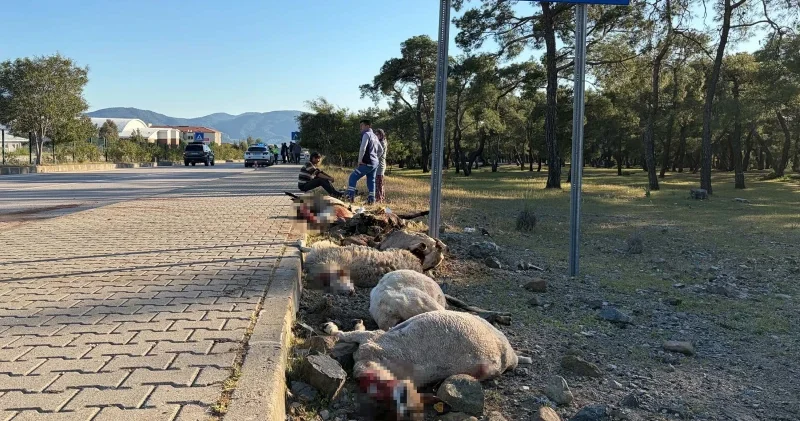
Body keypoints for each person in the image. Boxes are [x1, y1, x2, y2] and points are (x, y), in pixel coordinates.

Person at [346, 119, 384, 204]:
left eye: (362, 126)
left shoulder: (366, 134)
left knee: (353, 177)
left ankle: (350, 197)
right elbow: (381, 150)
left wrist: (360, 160)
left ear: (368, 126)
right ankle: (372, 200)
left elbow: (363, 148)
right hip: (375, 163)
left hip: (367, 162)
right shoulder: (375, 136)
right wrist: (376, 158)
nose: (360, 128)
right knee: (371, 180)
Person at [374, 128, 388, 202]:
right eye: (375, 134)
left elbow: (378, 154)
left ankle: (379, 198)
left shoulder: (382, 142)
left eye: (378, 134)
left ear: (381, 135)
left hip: (380, 165)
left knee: (379, 182)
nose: (376, 136)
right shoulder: (381, 142)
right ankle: (380, 197)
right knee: (379, 182)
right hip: (378, 165)